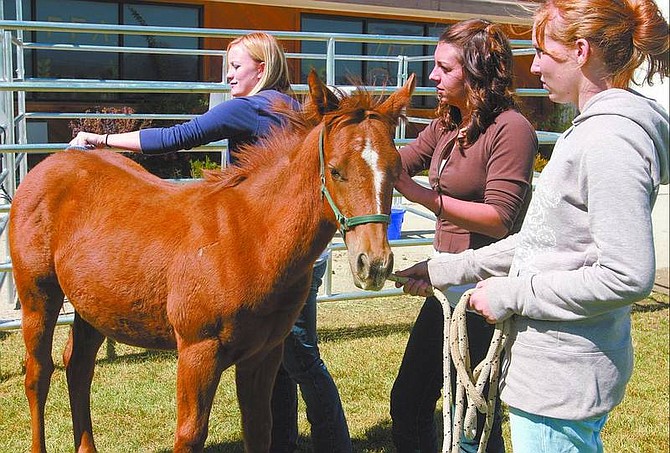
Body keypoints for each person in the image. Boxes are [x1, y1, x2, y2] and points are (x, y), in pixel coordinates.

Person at [395, 1, 669, 452]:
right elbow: (544, 243)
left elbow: (627, 275)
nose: (534, 64)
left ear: (580, 51)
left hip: (562, 380)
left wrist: (509, 294)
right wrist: (448, 269)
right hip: (549, 371)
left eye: (543, 51)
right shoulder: (588, 131)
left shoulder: (610, 139)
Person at [69, 31, 352, 453]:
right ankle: (298, 442)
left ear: (263, 66)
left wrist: (101, 140)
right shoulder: (298, 112)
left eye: (236, 66)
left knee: (293, 358)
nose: (228, 76)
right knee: (285, 360)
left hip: (259, 263)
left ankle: (325, 443)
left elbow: (173, 138)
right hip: (306, 255)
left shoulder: (246, 110)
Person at [390, 19, 538, 453]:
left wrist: (422, 196)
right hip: (448, 284)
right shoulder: (446, 125)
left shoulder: (511, 130)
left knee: (474, 416)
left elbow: (499, 219)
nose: (433, 76)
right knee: (410, 401)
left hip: (487, 292)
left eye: (444, 68)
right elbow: (396, 164)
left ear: (476, 73)